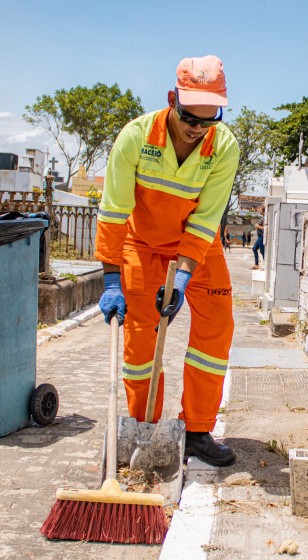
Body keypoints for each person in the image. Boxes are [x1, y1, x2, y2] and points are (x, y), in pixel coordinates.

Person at [96, 55, 239, 467]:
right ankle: (145, 427)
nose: (197, 130)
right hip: (142, 245)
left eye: (207, 121)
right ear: (172, 99)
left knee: (217, 324)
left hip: (197, 245)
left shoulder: (223, 146)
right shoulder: (136, 137)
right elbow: (113, 212)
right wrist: (111, 279)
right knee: (141, 337)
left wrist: (181, 278)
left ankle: (196, 429)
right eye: (189, 118)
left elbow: (206, 218)